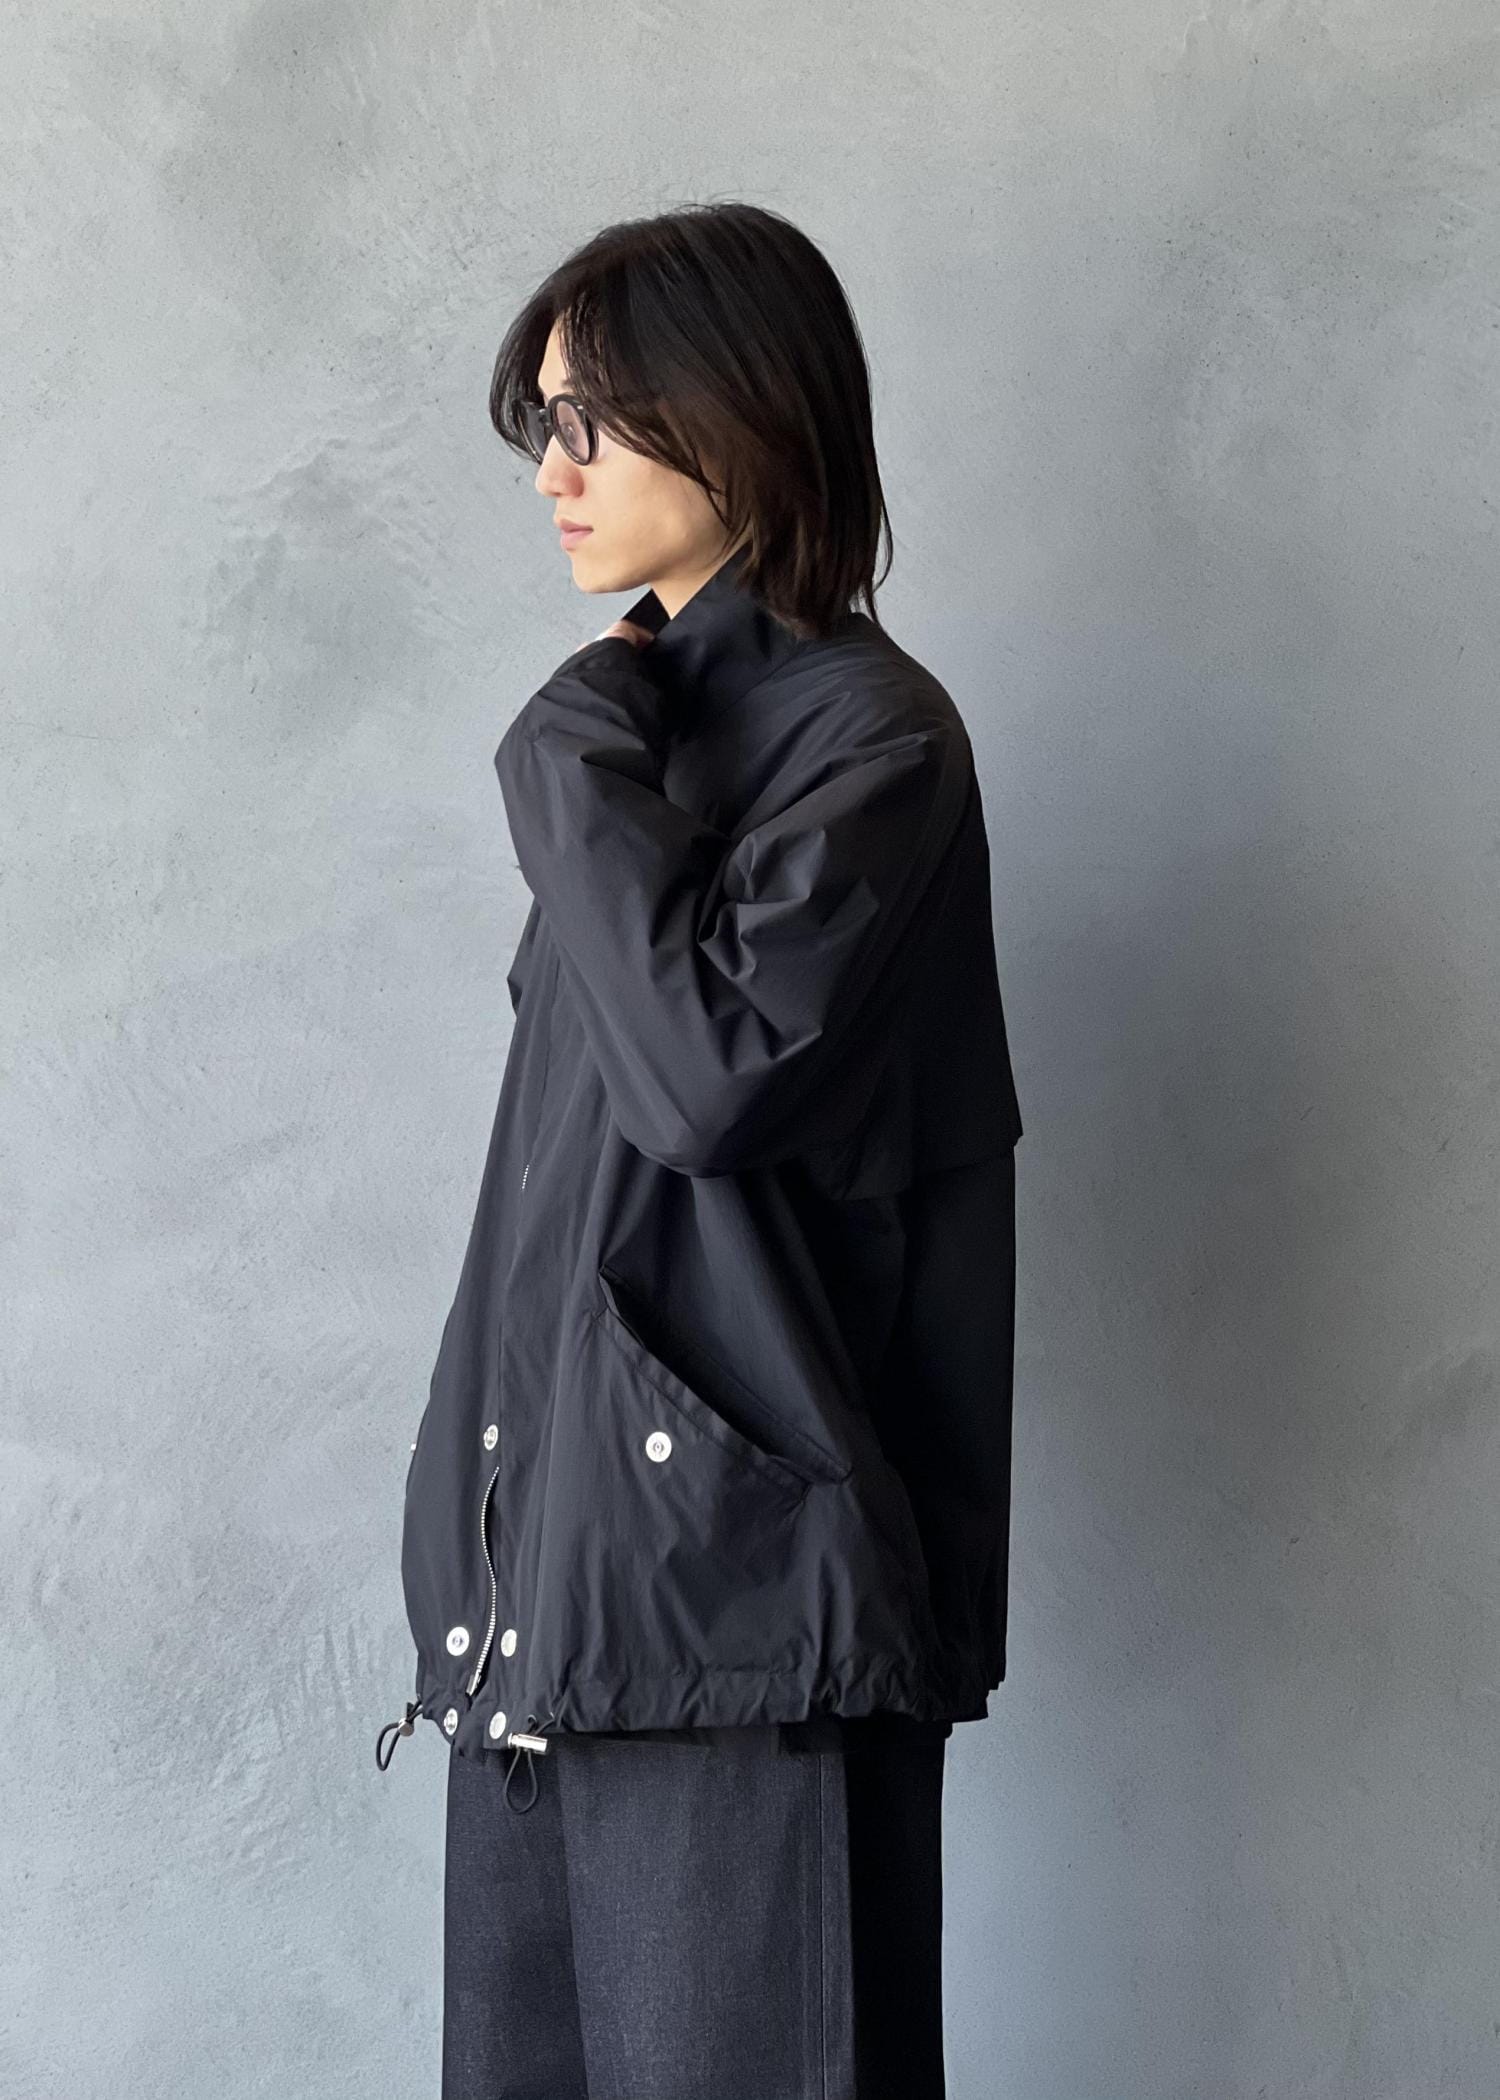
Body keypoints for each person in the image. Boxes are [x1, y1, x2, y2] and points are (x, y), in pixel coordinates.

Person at [376, 199, 1024, 2100]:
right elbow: (562, 1203)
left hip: (748, 1618)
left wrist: (569, 760)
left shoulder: (871, 746)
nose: (554, 473)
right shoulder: (652, 734)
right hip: (554, 1604)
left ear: (735, 414)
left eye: (591, 420)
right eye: (544, 426)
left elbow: (708, 1086)